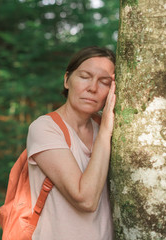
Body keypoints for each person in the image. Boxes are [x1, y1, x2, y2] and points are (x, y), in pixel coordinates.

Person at [27, 46, 116, 240]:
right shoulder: (44, 128)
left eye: (104, 82)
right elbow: (85, 200)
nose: (93, 88)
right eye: (84, 76)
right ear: (67, 80)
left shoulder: (109, 129)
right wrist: (105, 132)